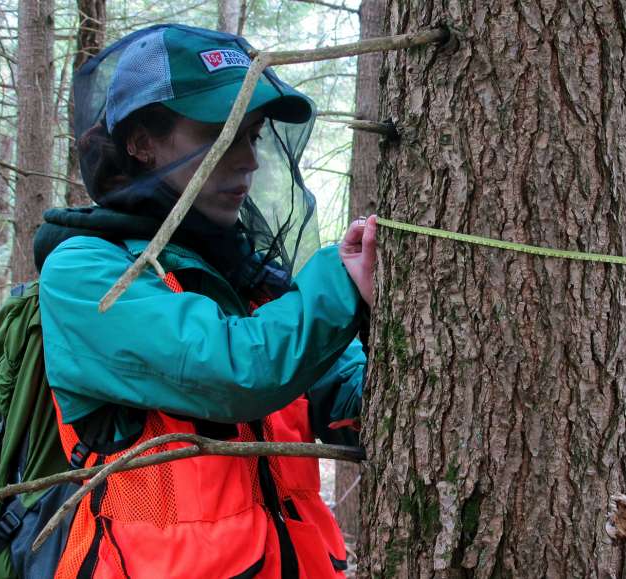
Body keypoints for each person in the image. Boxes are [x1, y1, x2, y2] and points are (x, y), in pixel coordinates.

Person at [34, 23, 375, 578]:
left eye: (253, 134)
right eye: (220, 133)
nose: (249, 160)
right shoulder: (86, 273)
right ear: (142, 142)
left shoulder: (254, 277)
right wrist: (338, 281)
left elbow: (352, 404)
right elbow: (232, 372)